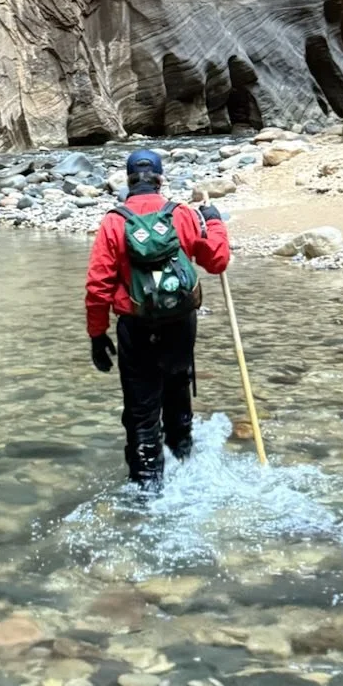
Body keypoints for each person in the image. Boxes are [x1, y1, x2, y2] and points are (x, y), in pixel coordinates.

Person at [84, 147, 231, 488]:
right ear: (160, 179)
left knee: (141, 410)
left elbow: (98, 286)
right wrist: (214, 221)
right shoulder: (181, 214)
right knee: (177, 389)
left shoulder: (114, 221)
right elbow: (217, 261)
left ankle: (147, 488)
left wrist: (97, 334)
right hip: (179, 324)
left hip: (135, 327)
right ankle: (184, 462)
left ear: (128, 180)